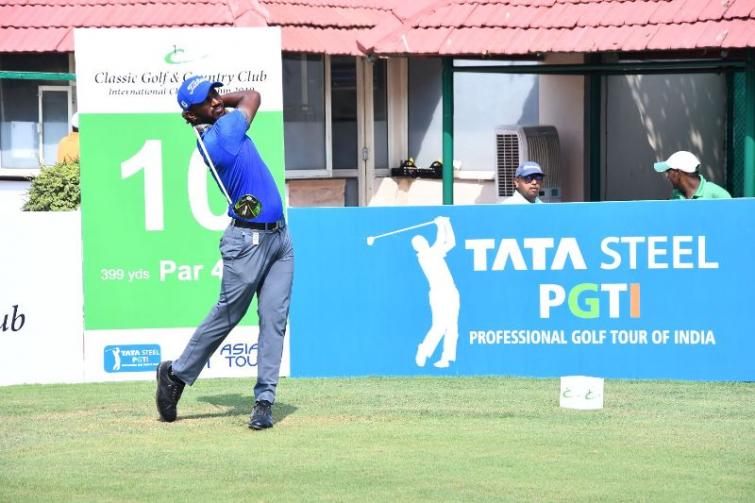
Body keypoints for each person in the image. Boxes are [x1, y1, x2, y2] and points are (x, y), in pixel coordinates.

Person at [156, 76, 294, 430]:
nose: (217, 101)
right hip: (247, 242)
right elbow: (252, 95)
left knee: (274, 319)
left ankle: (264, 402)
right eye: (207, 100)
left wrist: (215, 103)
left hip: (279, 239)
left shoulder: (219, 128)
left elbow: (242, 99)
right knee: (228, 315)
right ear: (192, 115)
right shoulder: (223, 135)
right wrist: (226, 103)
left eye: (216, 93)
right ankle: (175, 374)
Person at [412, 217, 460, 369]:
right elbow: (440, 241)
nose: (423, 243)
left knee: (452, 326)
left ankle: (446, 359)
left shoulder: (435, 253)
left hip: (451, 291)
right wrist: (440, 225)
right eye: (419, 243)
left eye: (423, 240)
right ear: (417, 248)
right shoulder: (425, 256)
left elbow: (451, 242)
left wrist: (447, 223)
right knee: (439, 326)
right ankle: (424, 350)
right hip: (438, 294)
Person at [653, 151, 731, 199]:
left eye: (668, 171)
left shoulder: (719, 195)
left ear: (678, 172)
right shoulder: (675, 195)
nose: (667, 176)